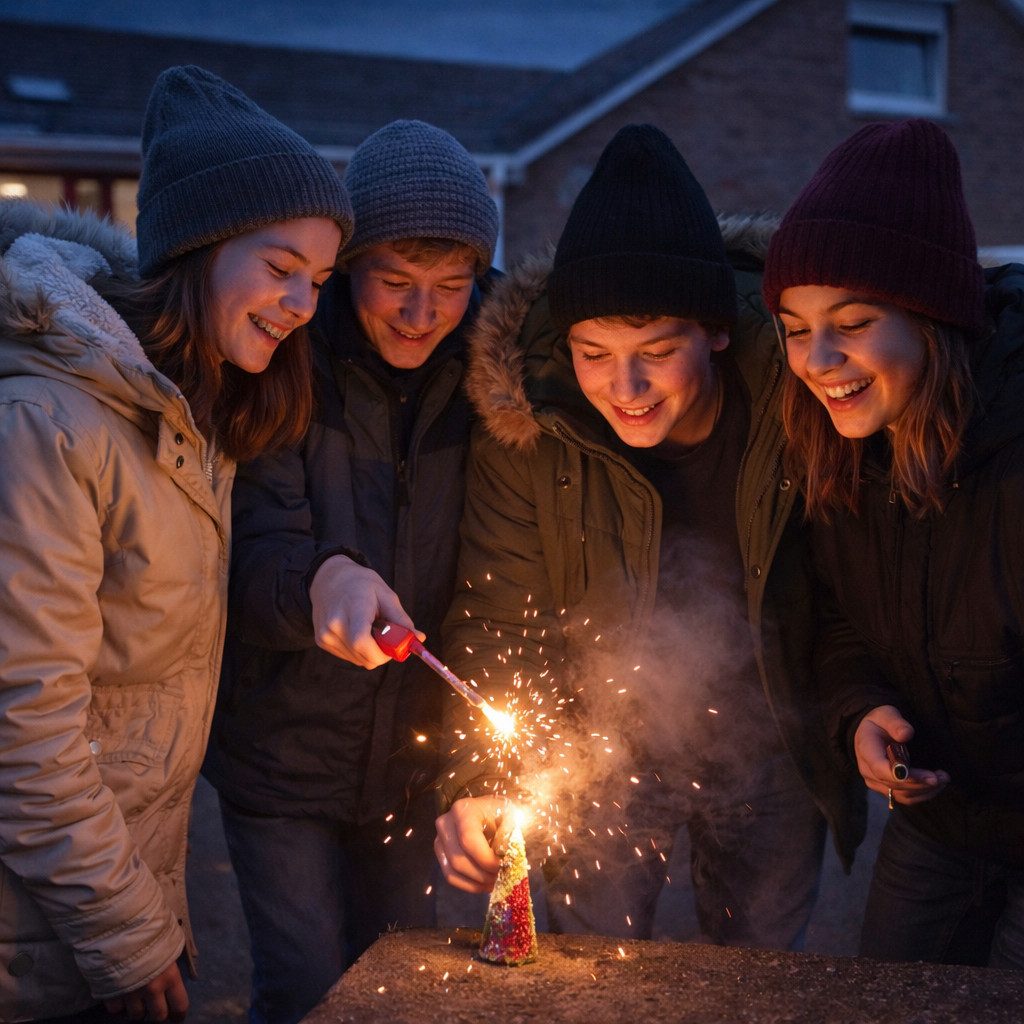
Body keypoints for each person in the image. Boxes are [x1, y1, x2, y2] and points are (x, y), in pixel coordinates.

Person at [432, 125, 864, 949]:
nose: (623, 387)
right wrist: (483, 778)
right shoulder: (532, 422)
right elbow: (499, 614)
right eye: (594, 353)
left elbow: (851, 585)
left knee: (757, 980)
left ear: (717, 331)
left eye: (656, 352)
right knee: (594, 972)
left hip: (769, 732)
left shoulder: (803, 403)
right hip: (597, 744)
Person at [0, 65, 350, 1024]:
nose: (303, 305)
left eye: (318, 281)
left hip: (109, 904)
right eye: (281, 269)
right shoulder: (49, 421)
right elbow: (22, 728)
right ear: (198, 248)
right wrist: (125, 932)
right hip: (35, 948)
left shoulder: (192, 419)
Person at [201, 119, 500, 1024]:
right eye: (395, 283)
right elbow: (252, 553)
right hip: (283, 756)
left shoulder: (494, 383)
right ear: (347, 267)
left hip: (412, 764)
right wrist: (320, 587)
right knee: (304, 990)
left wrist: (472, 762)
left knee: (394, 992)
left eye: (451, 287)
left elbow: (497, 582)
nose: (422, 315)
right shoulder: (284, 364)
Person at [761, 118, 1024, 969]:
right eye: (796, 328)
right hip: (941, 823)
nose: (818, 358)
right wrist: (864, 712)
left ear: (933, 313)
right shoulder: (840, 449)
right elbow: (840, 617)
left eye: (854, 320)